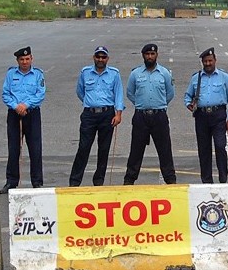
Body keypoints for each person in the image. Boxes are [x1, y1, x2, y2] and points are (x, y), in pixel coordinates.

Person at [69, 46, 124, 186]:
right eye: (98, 57)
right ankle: (74, 182)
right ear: (93, 57)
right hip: (89, 115)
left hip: (107, 114)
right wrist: (90, 103)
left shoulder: (114, 74)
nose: (100, 59)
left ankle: (99, 181)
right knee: (83, 148)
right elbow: (80, 91)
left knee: (104, 149)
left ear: (107, 59)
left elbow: (118, 94)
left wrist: (118, 114)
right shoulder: (85, 72)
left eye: (103, 57)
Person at [123, 43, 176, 185]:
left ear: (157, 55)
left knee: (165, 150)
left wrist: (158, 105)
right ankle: (129, 180)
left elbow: (170, 93)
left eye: (152, 54)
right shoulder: (136, 74)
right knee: (136, 150)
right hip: (141, 116)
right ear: (143, 56)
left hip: (159, 116)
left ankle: (170, 180)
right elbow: (130, 93)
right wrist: (142, 105)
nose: (150, 57)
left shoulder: (164, 73)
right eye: (147, 54)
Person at [184, 47, 228, 183]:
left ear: (215, 60)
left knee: (220, 146)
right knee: (204, 149)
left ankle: (223, 178)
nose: (208, 64)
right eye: (205, 61)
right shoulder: (196, 78)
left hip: (218, 115)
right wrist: (189, 104)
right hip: (201, 116)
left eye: (210, 61)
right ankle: (207, 181)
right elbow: (188, 95)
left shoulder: (224, 77)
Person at [1, 46, 45, 193]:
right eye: (22, 59)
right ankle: (11, 181)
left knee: (35, 149)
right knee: (13, 149)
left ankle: (37, 182)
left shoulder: (38, 74)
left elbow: (40, 94)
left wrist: (26, 105)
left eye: (27, 59)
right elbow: (6, 94)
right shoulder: (11, 74)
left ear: (31, 59)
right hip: (14, 114)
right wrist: (16, 106)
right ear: (17, 60)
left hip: (32, 113)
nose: (25, 62)